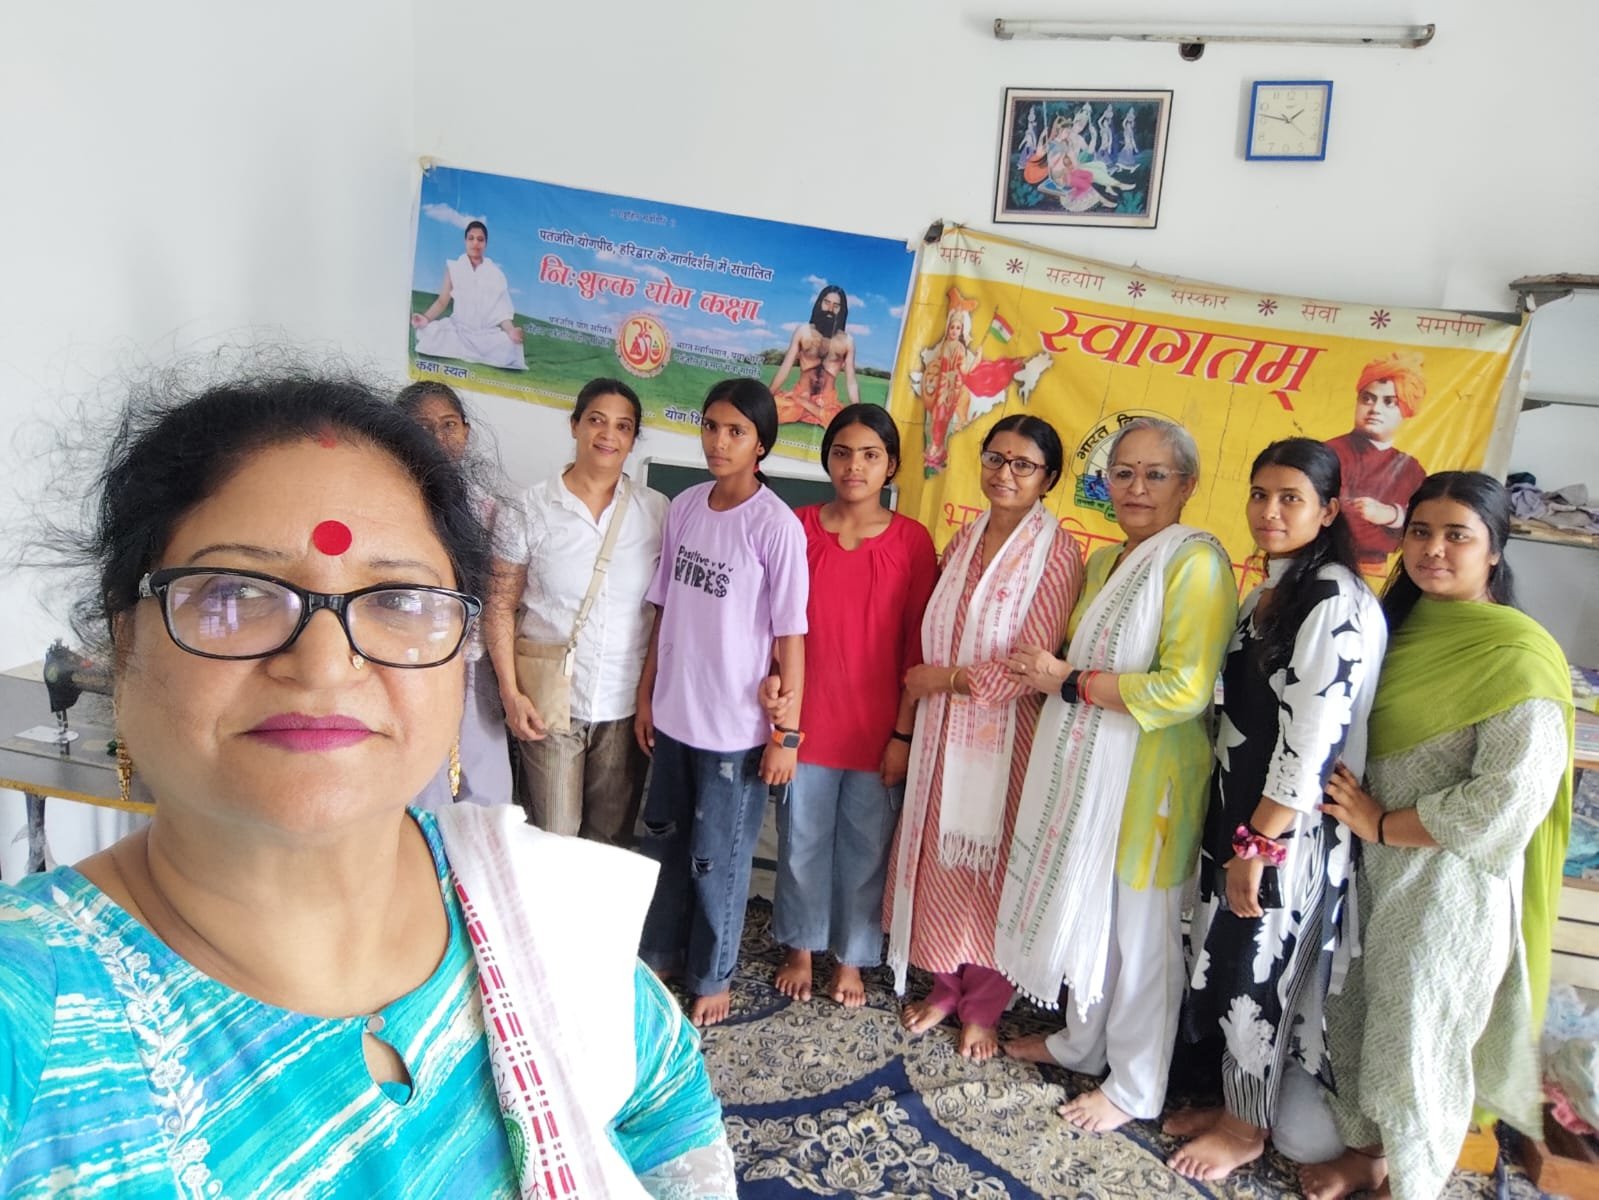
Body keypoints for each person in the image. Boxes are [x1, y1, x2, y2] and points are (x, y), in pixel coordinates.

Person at [0, 372, 734, 1197]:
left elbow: (669, 1113)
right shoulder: (30, 1011)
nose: (323, 666)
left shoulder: (538, 912)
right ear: (123, 641)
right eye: (237, 593)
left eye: (397, 599)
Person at [1305, 472, 1573, 1200]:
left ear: (1494, 550)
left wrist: (1381, 823)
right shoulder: (1390, 625)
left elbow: (1508, 797)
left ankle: (1414, 1183)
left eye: (1458, 536)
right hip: (1366, 868)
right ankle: (1368, 1155)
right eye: (1420, 532)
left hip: (1448, 888)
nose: (1433, 550)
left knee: (1419, 1039)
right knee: (1354, 1013)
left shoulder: (1518, 655)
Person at [997, 417, 1237, 1134]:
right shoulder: (1104, 562)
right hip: (1088, 770)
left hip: (1151, 780)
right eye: (1122, 473)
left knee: (1142, 934)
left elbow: (1184, 690)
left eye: (1154, 474)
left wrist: (1070, 683)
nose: (1135, 488)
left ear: (1187, 485)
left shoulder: (1196, 562)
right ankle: (1082, 1042)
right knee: (1091, 910)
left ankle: (1135, 1085)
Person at [1167, 439, 1386, 1181]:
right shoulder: (1274, 588)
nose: (1269, 511)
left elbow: (1311, 742)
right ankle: (1234, 1105)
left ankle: (1245, 1130)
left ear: (1327, 511)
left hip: (1286, 832)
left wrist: (1258, 847)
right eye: (1260, 494)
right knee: (1232, 961)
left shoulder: (1331, 600)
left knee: (1260, 971)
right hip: (1242, 814)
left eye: (1291, 498)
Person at [884, 414, 1084, 1061]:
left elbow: (1029, 666)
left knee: (992, 871)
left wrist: (943, 680)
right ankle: (946, 986)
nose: (1005, 474)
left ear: (1047, 478)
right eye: (995, 459)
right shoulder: (965, 539)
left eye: (1023, 465)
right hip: (942, 733)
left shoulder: (1056, 553)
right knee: (941, 862)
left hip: (1009, 742)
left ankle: (984, 1007)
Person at [635, 378, 809, 1028]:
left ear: (761, 444)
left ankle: (713, 973)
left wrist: (786, 735)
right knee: (664, 847)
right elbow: (664, 610)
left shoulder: (775, 526)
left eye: (735, 431)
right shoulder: (684, 507)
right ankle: (659, 953)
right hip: (674, 716)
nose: (718, 441)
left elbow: (791, 637)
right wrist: (647, 696)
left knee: (718, 860)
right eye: (710, 426)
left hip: (733, 731)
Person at [767, 405, 937, 1008]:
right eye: (842, 453)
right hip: (807, 725)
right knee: (801, 842)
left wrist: (903, 736)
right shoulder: (798, 527)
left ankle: (852, 957)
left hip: (878, 729)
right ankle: (800, 947)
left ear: (891, 464)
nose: (854, 466)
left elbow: (917, 646)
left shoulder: (912, 541)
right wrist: (777, 707)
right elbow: (774, 625)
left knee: (867, 852)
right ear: (827, 459)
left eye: (870, 455)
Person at [486, 377, 668, 844]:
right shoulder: (529, 508)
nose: (608, 435)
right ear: (575, 425)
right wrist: (510, 693)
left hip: (622, 704)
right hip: (548, 702)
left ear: (633, 440)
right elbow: (500, 604)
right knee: (554, 839)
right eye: (596, 420)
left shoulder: (657, 512)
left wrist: (648, 697)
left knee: (608, 843)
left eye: (623, 426)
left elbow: (663, 612)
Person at [395, 381, 513, 810]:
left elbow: (500, 595)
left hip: (474, 661)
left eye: (449, 425)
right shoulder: (390, 503)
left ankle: (475, 851)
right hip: (409, 658)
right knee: (419, 775)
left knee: (485, 782)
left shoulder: (489, 509)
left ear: (466, 431)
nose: (439, 437)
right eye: (424, 426)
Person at [1323, 352, 1428, 568]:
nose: (1375, 409)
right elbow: (1347, 527)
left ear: (1405, 410)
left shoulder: (1411, 469)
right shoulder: (1329, 452)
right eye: (1367, 399)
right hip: (1323, 563)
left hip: (1380, 572)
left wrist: (1391, 515)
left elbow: (1421, 528)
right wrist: (1393, 527)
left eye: (1389, 402)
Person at [411, 220, 528, 371]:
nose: (475, 243)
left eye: (480, 239)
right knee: (431, 332)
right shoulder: (454, 268)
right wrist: (425, 318)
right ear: (465, 241)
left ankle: (472, 350)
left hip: (485, 335)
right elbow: (442, 301)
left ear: (486, 244)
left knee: (509, 344)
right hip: (459, 330)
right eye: (471, 238)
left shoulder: (496, 274)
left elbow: (502, 313)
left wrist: (511, 331)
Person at [769, 285, 860, 427]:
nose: (830, 309)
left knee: (841, 419)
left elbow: (851, 381)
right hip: (800, 395)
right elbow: (786, 367)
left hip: (827, 402)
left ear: (842, 310)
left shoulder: (847, 341)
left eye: (836, 306)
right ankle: (809, 408)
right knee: (775, 406)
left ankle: (807, 407)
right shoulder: (803, 331)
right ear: (819, 303)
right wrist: (769, 395)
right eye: (827, 303)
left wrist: (858, 411)